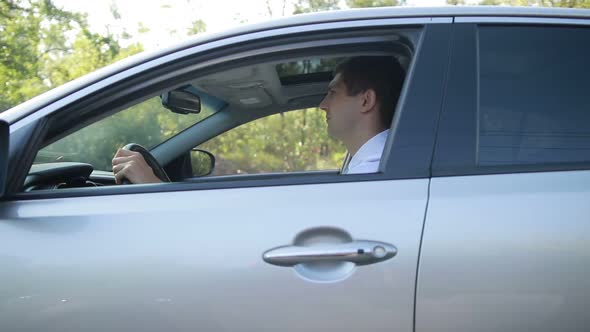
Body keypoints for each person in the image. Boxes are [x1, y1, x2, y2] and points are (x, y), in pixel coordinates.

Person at [112, 56, 404, 183]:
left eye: (332, 93)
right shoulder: (372, 164)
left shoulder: (375, 171)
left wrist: (151, 183)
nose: (322, 104)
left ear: (366, 101)